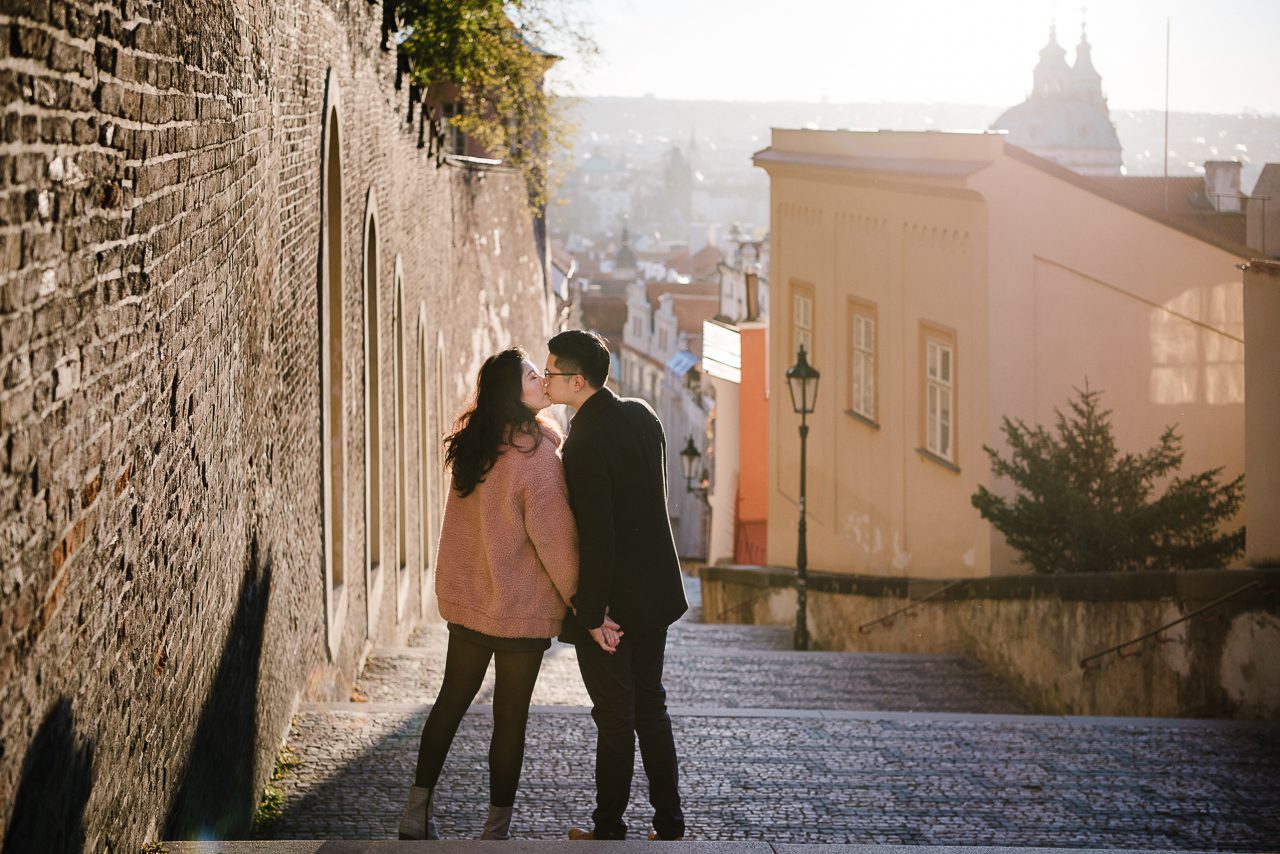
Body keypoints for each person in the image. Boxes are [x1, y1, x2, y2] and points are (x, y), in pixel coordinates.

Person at [398, 347, 579, 841]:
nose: (541, 378)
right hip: (521, 612)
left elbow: (457, 533)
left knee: (449, 703)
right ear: (511, 391)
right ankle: (494, 833)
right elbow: (557, 543)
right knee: (509, 721)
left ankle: (414, 815)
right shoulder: (536, 456)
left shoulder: (475, 447)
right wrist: (582, 602)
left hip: (472, 606)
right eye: (529, 374)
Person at [543, 329, 688, 842]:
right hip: (657, 592)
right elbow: (652, 505)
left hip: (614, 603)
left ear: (577, 380)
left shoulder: (583, 442)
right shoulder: (644, 415)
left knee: (614, 712)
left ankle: (608, 828)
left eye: (553, 371)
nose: (545, 378)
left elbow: (598, 535)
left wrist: (591, 614)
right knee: (651, 705)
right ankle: (670, 824)